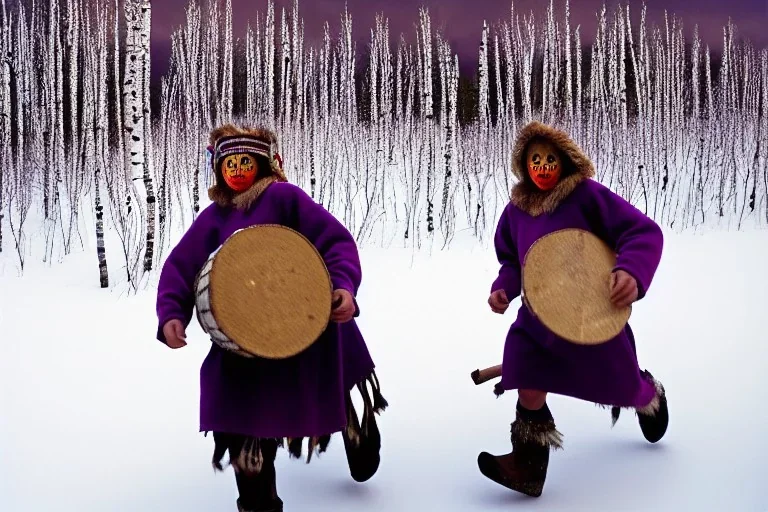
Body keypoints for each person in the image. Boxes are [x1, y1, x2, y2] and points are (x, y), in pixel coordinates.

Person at [155, 124, 387, 512]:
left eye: (245, 161)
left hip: (309, 323)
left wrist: (343, 285)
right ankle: (256, 499)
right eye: (228, 163)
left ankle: (358, 432)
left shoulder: (284, 198)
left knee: (338, 382)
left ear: (263, 165)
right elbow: (181, 267)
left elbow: (335, 242)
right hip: (243, 338)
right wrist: (170, 313)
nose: (236, 170)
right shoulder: (214, 217)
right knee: (238, 414)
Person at [478, 120, 668, 497]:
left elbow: (643, 232)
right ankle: (527, 467)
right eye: (536, 158)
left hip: (590, 316)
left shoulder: (587, 197)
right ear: (524, 163)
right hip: (537, 318)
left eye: (551, 158)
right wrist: (504, 288)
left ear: (565, 160)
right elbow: (514, 262)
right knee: (528, 379)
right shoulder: (516, 211)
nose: (543, 165)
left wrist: (632, 269)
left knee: (621, 384)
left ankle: (650, 395)